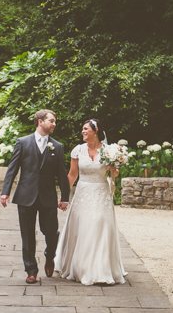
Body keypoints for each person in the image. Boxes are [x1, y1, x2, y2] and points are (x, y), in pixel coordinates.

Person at [0, 109, 71, 284]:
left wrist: (64, 197)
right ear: (40, 121)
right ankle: (31, 270)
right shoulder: (23, 142)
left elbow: (62, 174)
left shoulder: (57, 146)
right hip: (25, 196)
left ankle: (49, 256)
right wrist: (5, 191)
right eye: (51, 121)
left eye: (54, 121)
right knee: (27, 235)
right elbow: (13, 168)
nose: (54, 124)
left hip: (47, 197)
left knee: (51, 233)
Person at [54, 119, 127, 285]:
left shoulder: (109, 151)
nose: (83, 132)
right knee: (84, 226)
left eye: (86, 129)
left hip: (101, 192)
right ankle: (82, 268)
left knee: (100, 224)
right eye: (82, 129)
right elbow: (72, 175)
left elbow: (113, 173)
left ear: (96, 130)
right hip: (83, 192)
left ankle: (101, 269)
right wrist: (64, 196)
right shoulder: (78, 150)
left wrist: (115, 167)